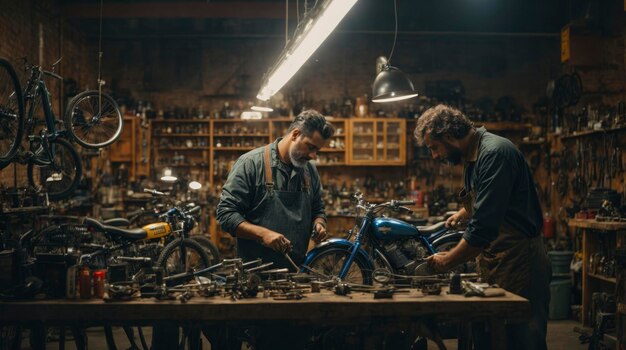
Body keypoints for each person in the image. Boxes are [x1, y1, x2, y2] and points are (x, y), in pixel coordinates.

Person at [414, 104, 551, 350]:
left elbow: (483, 229)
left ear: (448, 136)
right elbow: (494, 199)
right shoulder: (472, 157)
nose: (434, 156)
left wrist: (448, 261)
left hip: (519, 261)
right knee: (492, 337)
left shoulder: (495, 153)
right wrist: (465, 211)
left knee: (521, 340)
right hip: (496, 259)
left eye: (434, 148)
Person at [216, 109, 333, 268]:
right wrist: (262, 234)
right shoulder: (250, 164)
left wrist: (319, 223)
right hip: (256, 274)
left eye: (317, 150)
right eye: (310, 147)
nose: (313, 156)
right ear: (295, 134)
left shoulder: (309, 170)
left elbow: (318, 208)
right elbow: (226, 215)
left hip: (298, 272)